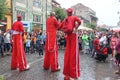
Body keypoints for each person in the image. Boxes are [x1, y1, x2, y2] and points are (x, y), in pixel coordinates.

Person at [61, 8, 81, 80]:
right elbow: (79, 21)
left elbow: (60, 26)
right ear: (72, 12)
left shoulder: (65, 18)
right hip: (73, 35)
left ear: (67, 12)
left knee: (68, 54)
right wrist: (76, 28)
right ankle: (74, 74)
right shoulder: (74, 17)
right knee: (74, 54)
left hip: (68, 36)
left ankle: (67, 74)